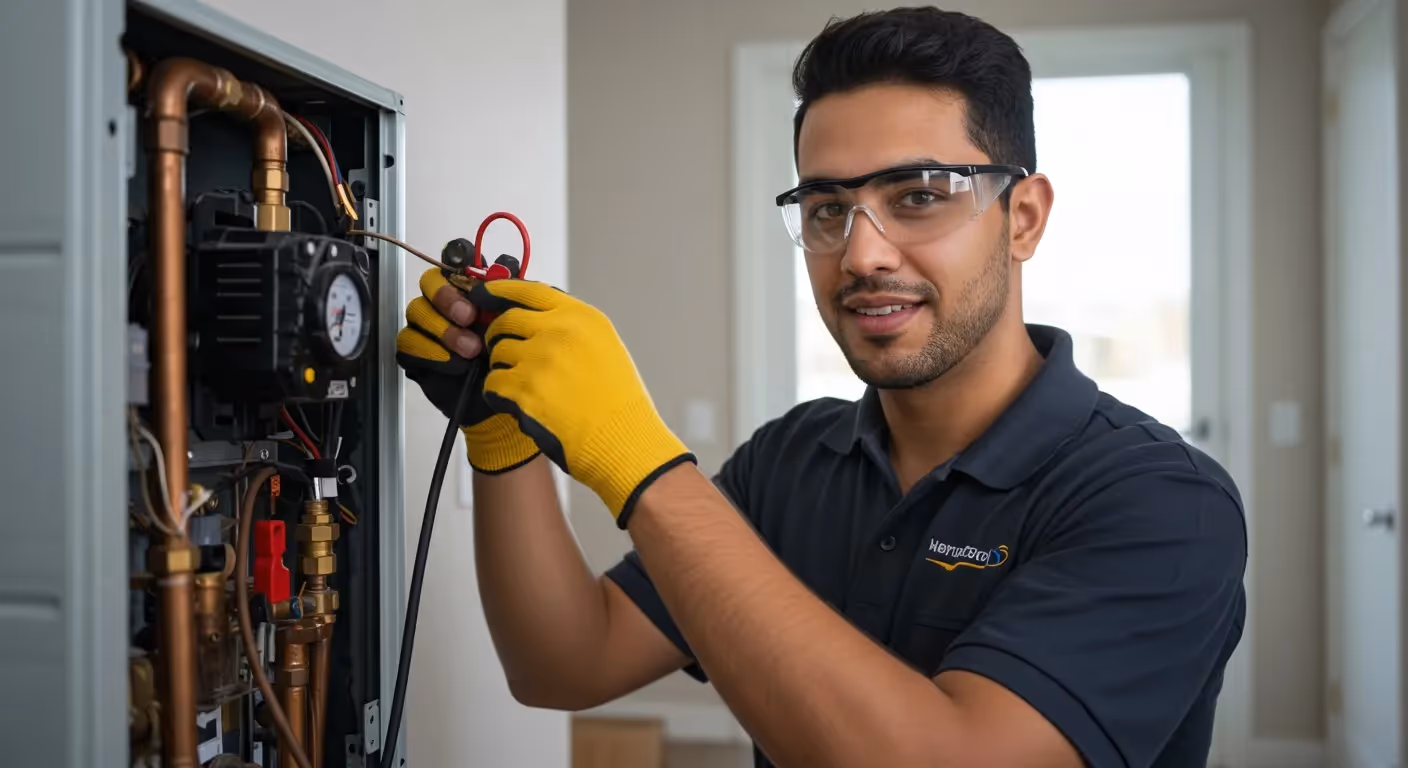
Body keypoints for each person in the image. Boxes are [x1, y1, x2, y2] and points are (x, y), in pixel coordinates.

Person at [396, 7, 1247, 767]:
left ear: (1021, 218)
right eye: (827, 209)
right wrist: (501, 438)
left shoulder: (1161, 501)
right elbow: (564, 664)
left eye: (919, 196)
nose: (863, 253)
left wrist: (641, 463)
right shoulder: (793, 461)